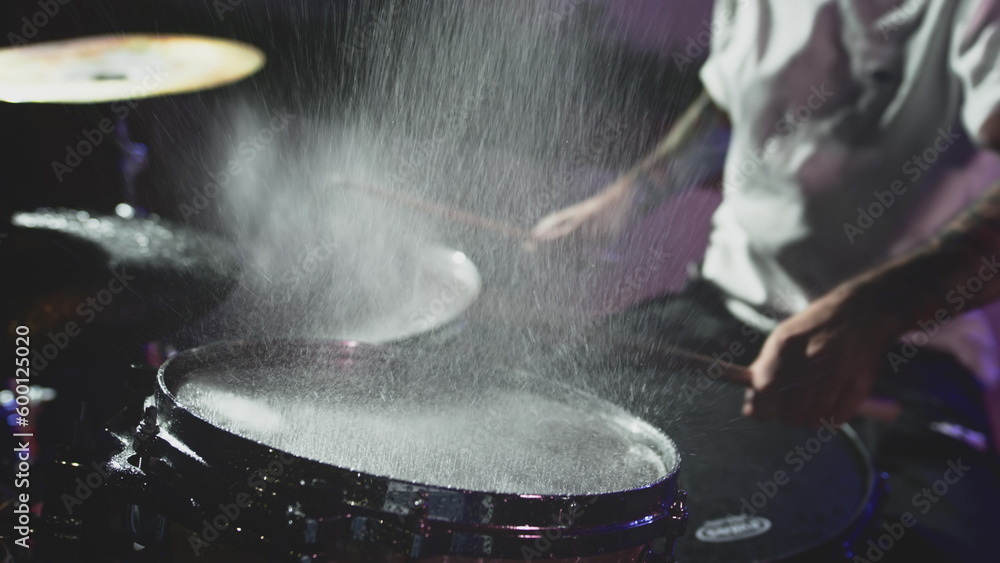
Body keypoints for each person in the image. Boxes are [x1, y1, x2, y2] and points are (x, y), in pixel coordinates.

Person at [532, 1, 1000, 561]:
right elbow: (729, 99)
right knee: (535, 437)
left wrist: (868, 314)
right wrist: (627, 196)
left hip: (907, 351)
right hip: (720, 307)